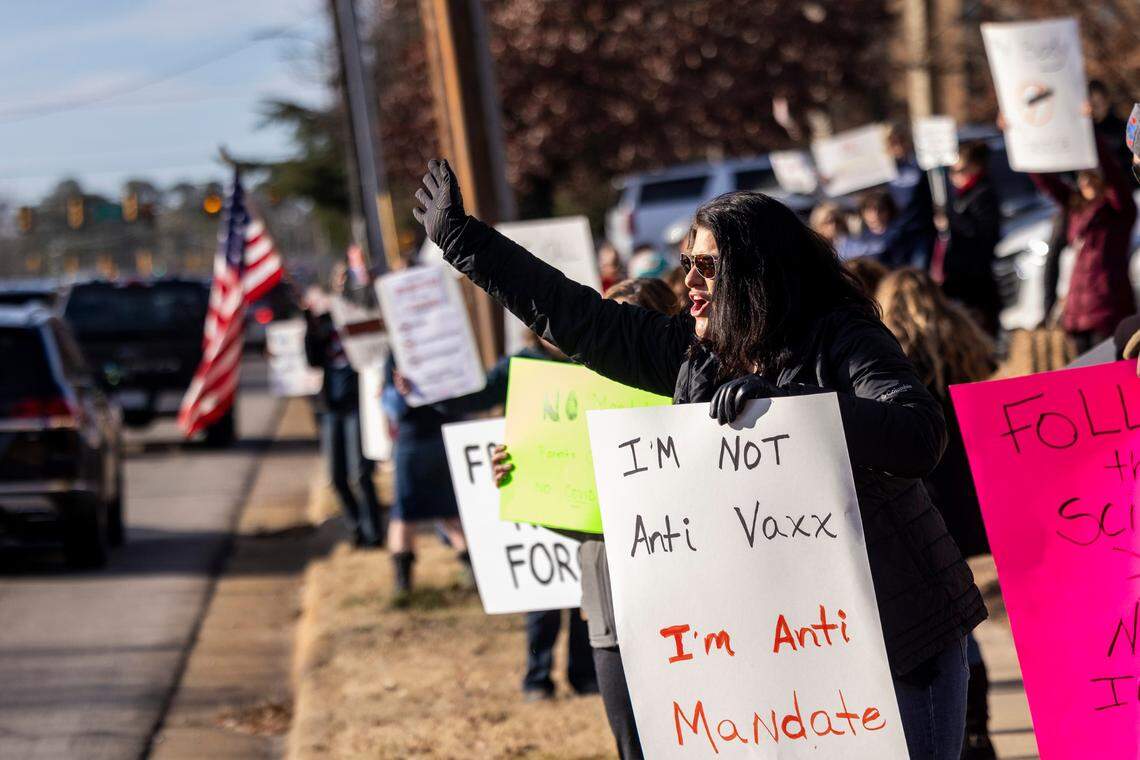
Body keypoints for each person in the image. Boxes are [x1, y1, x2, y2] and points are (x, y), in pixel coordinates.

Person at [414, 159, 986, 760]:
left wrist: (793, 411)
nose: (690, 281)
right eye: (687, 264)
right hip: (785, 641)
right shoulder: (695, 357)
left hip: (898, 637)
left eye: (706, 267)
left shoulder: (844, 338)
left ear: (753, 275)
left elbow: (919, 433)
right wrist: (462, 240)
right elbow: (576, 316)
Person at [493, 277, 678, 757]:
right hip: (611, 616)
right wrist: (522, 479)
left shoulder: (691, 398)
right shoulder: (577, 404)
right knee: (632, 747)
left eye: (626, 326)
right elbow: (579, 519)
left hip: (687, 609)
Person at [876, 269, 998, 760]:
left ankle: (966, 725)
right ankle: (976, 726)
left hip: (927, 490)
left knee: (951, 617)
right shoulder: (962, 340)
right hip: (967, 484)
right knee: (963, 611)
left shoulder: (894, 352)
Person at [437, 335, 598, 701]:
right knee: (542, 601)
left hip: (580, 491)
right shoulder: (518, 364)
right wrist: (430, 389)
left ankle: (583, 674)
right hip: (537, 494)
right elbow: (477, 397)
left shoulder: (593, 356)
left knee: (582, 595)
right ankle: (537, 678)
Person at [1029, 135, 1138, 352]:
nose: (1085, 181)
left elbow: (1112, 172)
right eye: (1081, 177)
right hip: (1076, 313)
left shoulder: (1119, 212)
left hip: (1107, 310)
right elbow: (1046, 183)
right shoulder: (1077, 209)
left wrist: (1089, 132)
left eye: (1090, 176)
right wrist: (1021, 139)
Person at [303, 267, 383, 549]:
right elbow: (312, 359)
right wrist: (311, 320)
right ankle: (356, 527)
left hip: (357, 405)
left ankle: (375, 533)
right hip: (332, 407)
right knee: (336, 477)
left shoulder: (361, 317)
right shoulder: (321, 324)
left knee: (361, 472)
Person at [383, 356, 471, 605]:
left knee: (406, 516)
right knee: (445, 512)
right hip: (435, 436)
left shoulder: (397, 347)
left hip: (421, 440)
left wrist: (396, 395)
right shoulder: (447, 337)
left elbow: (392, 408)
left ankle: (403, 585)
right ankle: (470, 575)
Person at [930, 141, 1002, 336]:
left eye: (959, 170)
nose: (954, 177)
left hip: (976, 280)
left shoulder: (982, 194)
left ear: (976, 166)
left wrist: (951, 225)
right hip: (959, 278)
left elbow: (984, 234)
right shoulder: (960, 197)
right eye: (951, 171)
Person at [885, 124, 937, 269]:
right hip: (893, 233)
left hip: (919, 230)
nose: (898, 145)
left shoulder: (920, 164)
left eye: (901, 140)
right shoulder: (882, 169)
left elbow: (933, 193)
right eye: (892, 142)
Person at [838, 190, 903, 262]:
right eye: (870, 210)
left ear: (889, 211)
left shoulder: (898, 234)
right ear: (862, 212)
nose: (875, 215)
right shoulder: (860, 237)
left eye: (881, 210)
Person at [1088, 79, 1134, 179]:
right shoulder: (1087, 131)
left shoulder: (1123, 128)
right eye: (1090, 104)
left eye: (1097, 103)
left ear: (1107, 100)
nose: (1093, 109)